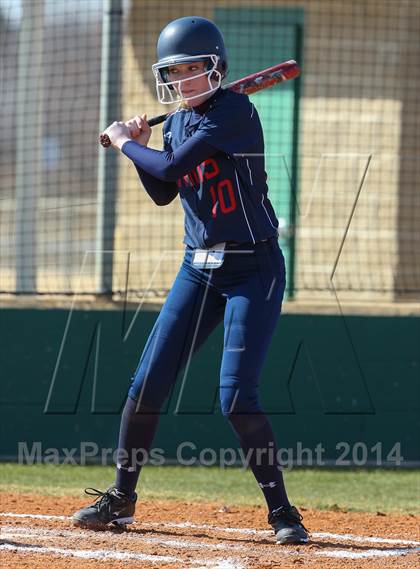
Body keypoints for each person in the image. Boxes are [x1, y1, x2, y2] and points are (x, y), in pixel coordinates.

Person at [72, 16, 308, 545]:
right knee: (146, 384)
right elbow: (165, 187)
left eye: (190, 70)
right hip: (197, 268)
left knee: (236, 397)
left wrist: (122, 141)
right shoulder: (178, 122)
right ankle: (122, 497)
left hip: (253, 267)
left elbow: (174, 162)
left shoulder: (235, 112)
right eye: (172, 73)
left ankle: (283, 512)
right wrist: (138, 146)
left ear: (215, 69)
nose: (180, 82)